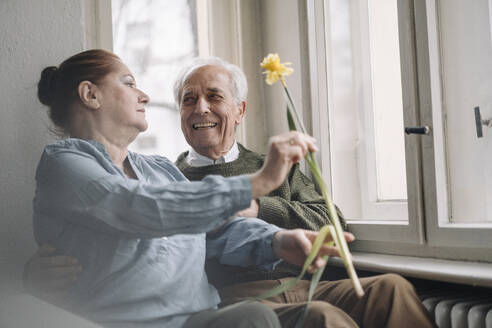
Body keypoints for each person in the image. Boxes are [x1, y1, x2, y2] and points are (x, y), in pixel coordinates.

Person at [26, 54, 435, 327]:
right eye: (130, 83)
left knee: (390, 288)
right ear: (90, 94)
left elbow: (216, 231)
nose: (144, 94)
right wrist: (254, 186)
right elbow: (136, 208)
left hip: (210, 310)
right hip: (207, 308)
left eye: (214, 97)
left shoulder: (157, 169)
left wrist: (278, 240)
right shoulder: (65, 164)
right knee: (294, 319)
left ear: (239, 110)